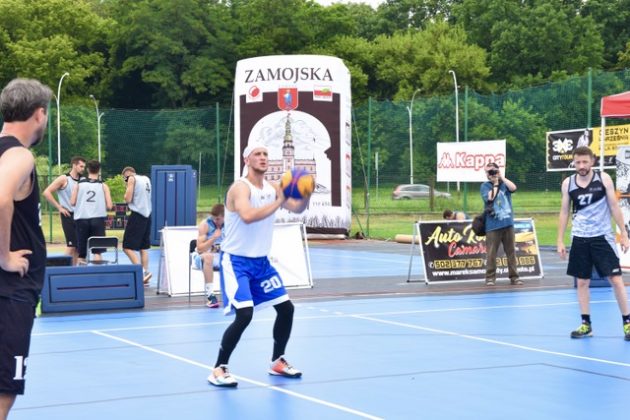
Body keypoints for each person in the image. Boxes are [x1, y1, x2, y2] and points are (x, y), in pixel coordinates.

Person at [208, 142, 310, 388]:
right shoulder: (240, 189)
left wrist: (306, 193)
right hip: (237, 261)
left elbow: (296, 208)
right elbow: (248, 216)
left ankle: (277, 361)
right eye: (258, 154)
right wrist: (281, 199)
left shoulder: (273, 187)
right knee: (244, 315)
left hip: (261, 263)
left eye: (266, 154)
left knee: (286, 309)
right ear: (247, 160)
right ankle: (219, 368)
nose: (263, 157)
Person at [0, 78, 52, 420]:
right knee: (5, 387)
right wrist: (4, 258)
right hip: (11, 291)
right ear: (39, 114)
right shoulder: (19, 154)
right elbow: (1, 197)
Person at [557, 146, 630, 340]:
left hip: (602, 238)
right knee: (582, 282)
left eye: (585, 162)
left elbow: (614, 207)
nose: (581, 166)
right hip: (580, 239)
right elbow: (564, 212)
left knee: (616, 280)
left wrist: (624, 233)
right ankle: (586, 324)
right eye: (578, 162)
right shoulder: (568, 183)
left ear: (592, 161)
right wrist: (560, 240)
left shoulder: (603, 179)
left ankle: (627, 323)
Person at [480, 162, 522, 286]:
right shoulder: (485, 186)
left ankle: (514, 277)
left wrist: (501, 177)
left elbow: (514, 188)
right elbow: (490, 198)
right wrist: (495, 183)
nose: (490, 174)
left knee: (511, 252)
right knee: (492, 253)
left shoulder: (504, 184)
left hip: (507, 223)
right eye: (488, 172)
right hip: (493, 225)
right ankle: (490, 278)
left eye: (492, 171)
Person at [42, 156, 86, 265]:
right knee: (71, 246)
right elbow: (46, 192)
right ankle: (59, 268)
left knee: (77, 247)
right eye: (81, 166)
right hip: (68, 215)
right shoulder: (64, 179)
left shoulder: (83, 180)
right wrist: (59, 207)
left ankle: (73, 271)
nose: (83, 169)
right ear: (74, 165)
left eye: (84, 167)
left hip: (80, 216)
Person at [70, 160, 113, 265]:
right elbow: (110, 206)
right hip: (98, 220)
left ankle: (82, 276)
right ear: (99, 170)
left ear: (88, 169)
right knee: (97, 252)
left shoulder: (79, 185)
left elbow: (72, 202)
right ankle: (97, 276)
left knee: (81, 253)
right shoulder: (103, 186)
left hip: (82, 219)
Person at [121, 167, 152, 285]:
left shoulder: (132, 179)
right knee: (143, 248)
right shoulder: (146, 179)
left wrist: (127, 188)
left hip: (137, 215)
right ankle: (146, 274)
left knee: (126, 247)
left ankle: (142, 272)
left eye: (125, 179)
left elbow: (127, 199)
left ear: (127, 175)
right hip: (148, 215)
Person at [193, 203, 224, 308]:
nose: (215, 221)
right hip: (201, 257)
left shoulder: (231, 224)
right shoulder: (205, 224)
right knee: (208, 256)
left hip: (221, 256)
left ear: (224, 217)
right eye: (214, 218)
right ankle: (211, 296)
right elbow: (200, 248)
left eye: (218, 219)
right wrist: (213, 238)